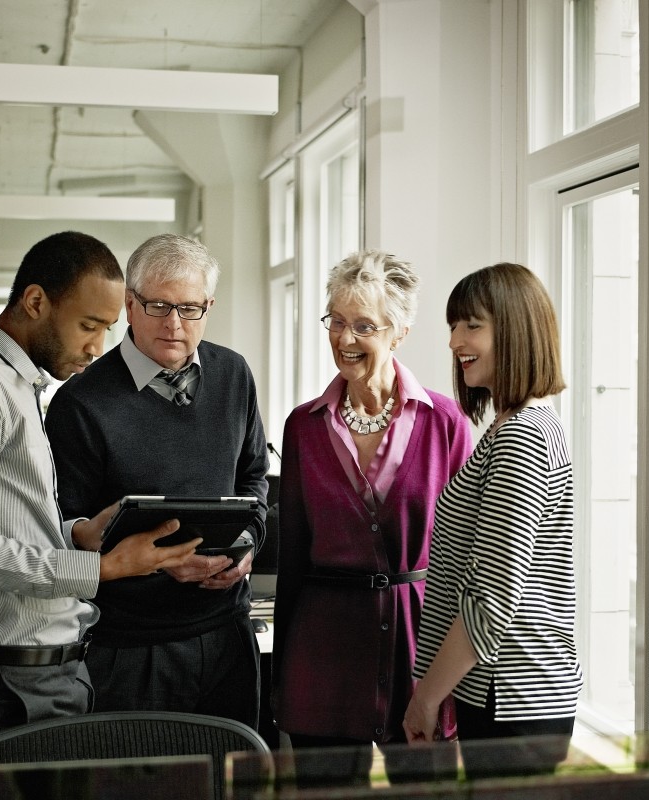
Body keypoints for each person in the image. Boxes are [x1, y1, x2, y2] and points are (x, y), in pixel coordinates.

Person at [0, 230, 202, 750]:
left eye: (107, 329)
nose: (96, 348)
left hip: (40, 674)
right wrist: (104, 568)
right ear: (36, 301)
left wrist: (77, 536)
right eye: (88, 326)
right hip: (10, 682)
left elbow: (6, 522)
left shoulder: (18, 385)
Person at [44, 233, 269, 729]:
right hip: (131, 649)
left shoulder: (234, 375)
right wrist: (161, 563)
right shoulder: (79, 403)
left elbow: (254, 476)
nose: (174, 323)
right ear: (129, 304)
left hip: (228, 632)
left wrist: (248, 543)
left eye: (190, 308)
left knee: (234, 782)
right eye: (158, 305)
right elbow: (64, 527)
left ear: (209, 306)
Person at [273, 250, 472, 787]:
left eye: (364, 325)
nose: (344, 338)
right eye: (336, 321)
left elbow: (468, 561)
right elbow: (293, 553)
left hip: (418, 646)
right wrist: (282, 676)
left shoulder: (444, 423)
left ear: (400, 331)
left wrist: (455, 676)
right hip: (323, 653)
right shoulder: (303, 427)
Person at [403, 262, 582, 779]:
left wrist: (426, 698)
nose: (456, 340)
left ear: (517, 330)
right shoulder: (517, 425)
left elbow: (491, 600)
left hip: (516, 701)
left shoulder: (521, 435)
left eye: (472, 325)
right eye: (453, 326)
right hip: (511, 696)